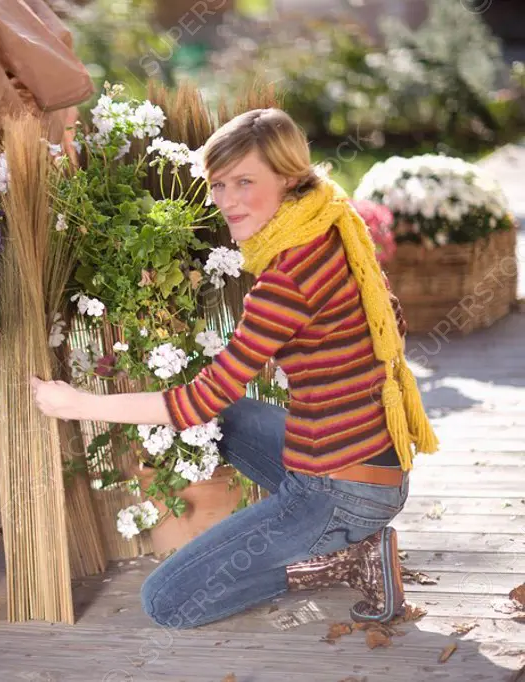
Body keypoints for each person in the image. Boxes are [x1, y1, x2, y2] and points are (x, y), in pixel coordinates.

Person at [29, 108, 439, 628]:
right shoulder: (333, 224)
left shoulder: (288, 278)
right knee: (232, 418)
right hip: (378, 468)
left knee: (167, 603)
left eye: (245, 181)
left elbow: (197, 402)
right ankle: (341, 529)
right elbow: (392, 322)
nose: (227, 200)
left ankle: (341, 559)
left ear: (288, 177)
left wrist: (77, 404)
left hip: (340, 493)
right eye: (219, 183)